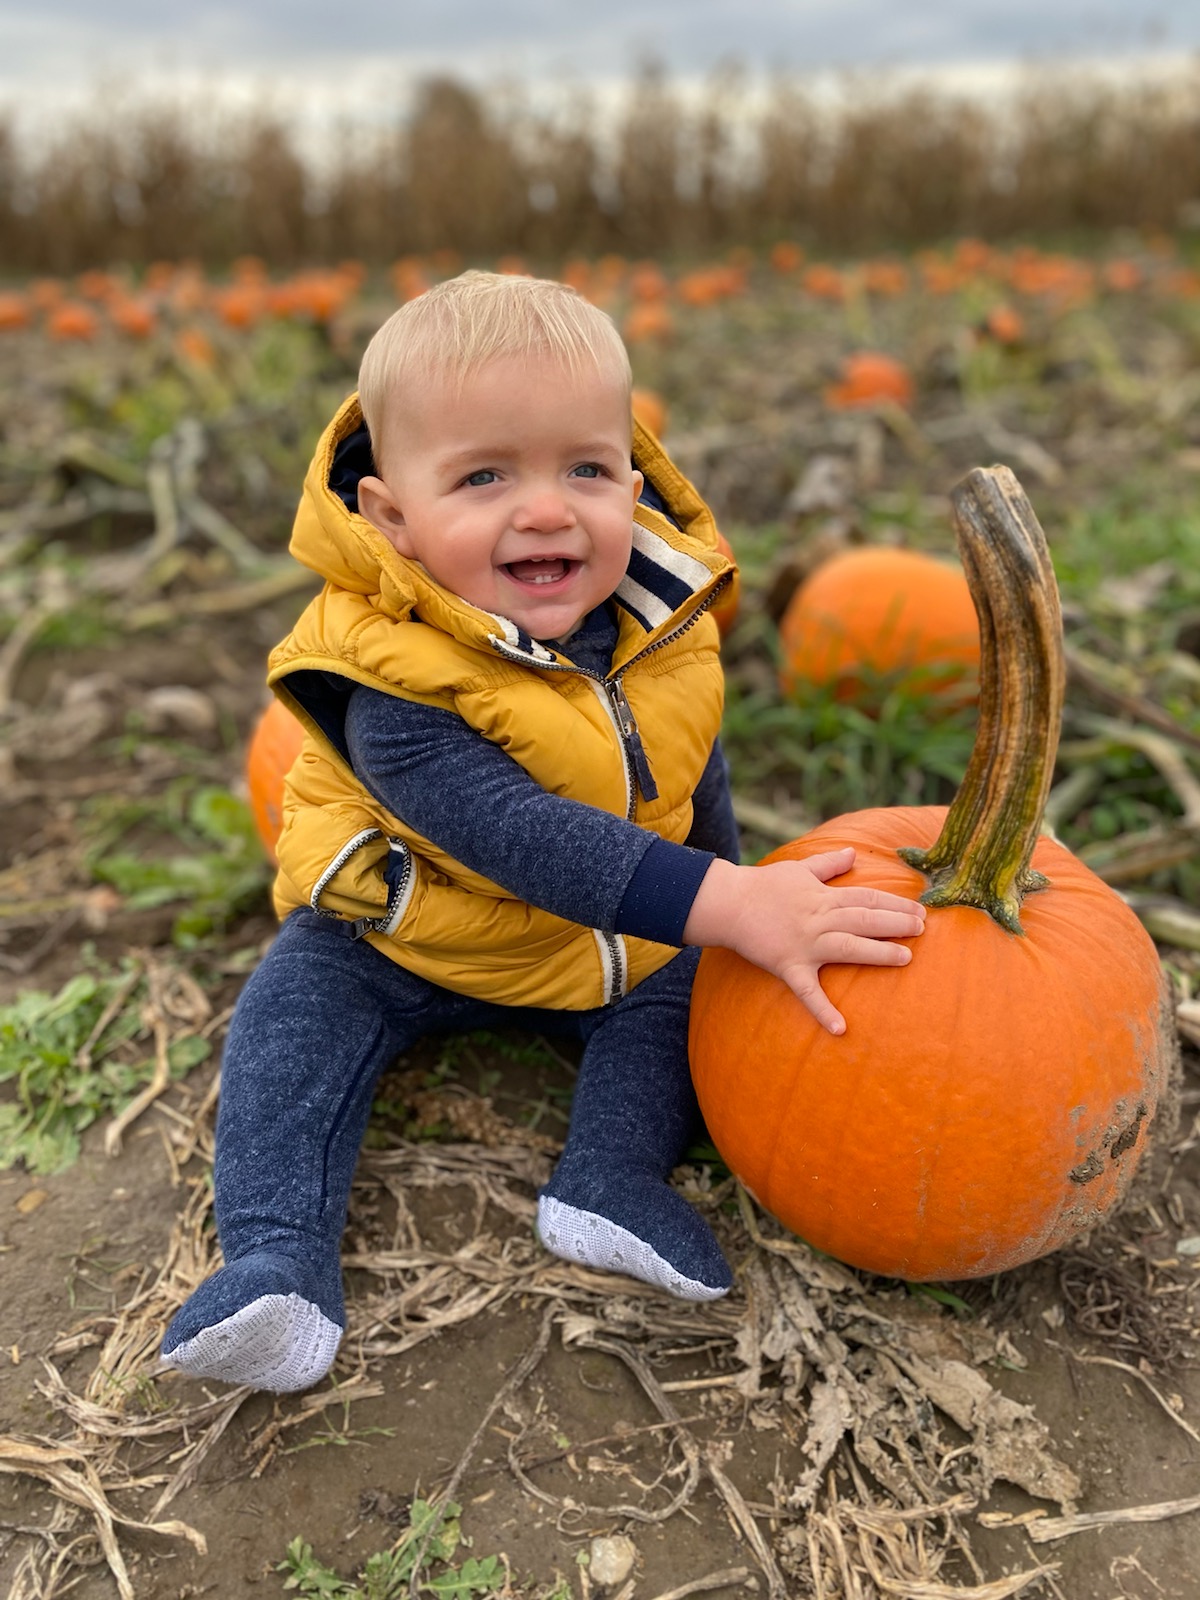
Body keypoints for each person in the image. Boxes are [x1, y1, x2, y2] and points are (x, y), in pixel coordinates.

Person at [161, 271, 926, 1393]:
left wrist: (729, 891)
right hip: (410, 932)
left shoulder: (666, 635)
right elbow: (514, 833)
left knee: (679, 990)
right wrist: (733, 903)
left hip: (593, 952)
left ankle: (609, 1180)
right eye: (483, 476)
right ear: (392, 519)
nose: (548, 509)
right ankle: (275, 1259)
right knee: (293, 1004)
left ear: (635, 474)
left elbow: (688, 781)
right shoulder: (389, 677)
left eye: (587, 468)